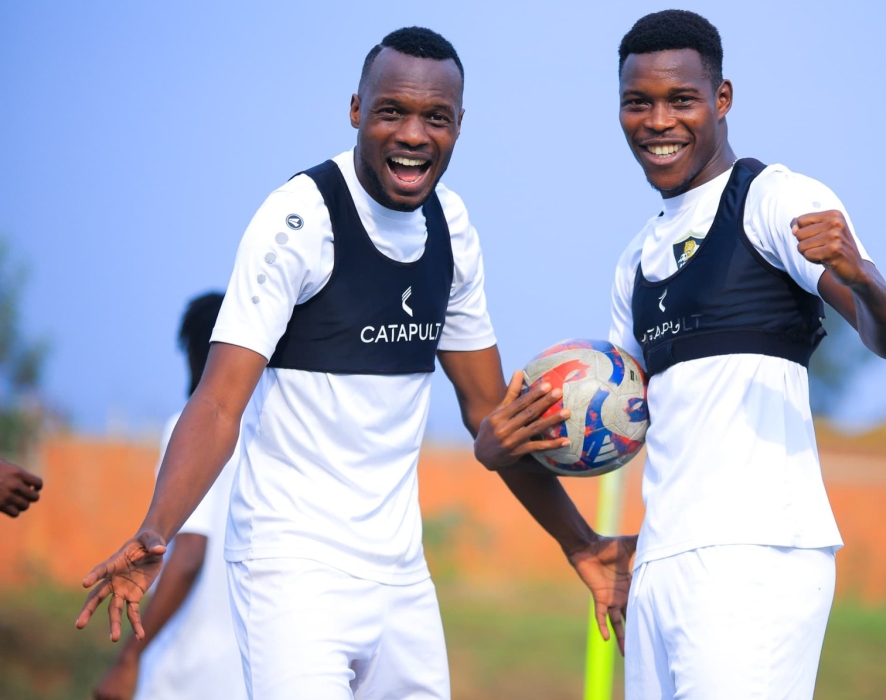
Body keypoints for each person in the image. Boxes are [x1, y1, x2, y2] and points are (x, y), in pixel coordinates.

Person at [76, 27, 626, 700]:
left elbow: (487, 410)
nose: (414, 134)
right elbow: (219, 403)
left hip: (399, 571)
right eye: (392, 111)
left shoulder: (451, 229)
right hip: (292, 566)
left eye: (436, 117)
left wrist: (580, 543)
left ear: (459, 124)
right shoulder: (298, 221)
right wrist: (156, 529)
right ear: (356, 110)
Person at [498, 10, 886, 699]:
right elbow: (617, 415)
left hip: (757, 556)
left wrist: (863, 276)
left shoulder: (775, 198)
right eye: (639, 102)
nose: (658, 121)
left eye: (681, 100)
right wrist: (515, 437)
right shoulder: (635, 259)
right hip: (659, 561)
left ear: (721, 100)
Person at [93, 293, 247, 700]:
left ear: (200, 353)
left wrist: (129, 658)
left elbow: (189, 554)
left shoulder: (188, 431)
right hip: (261, 670)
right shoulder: (270, 434)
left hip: (192, 673)